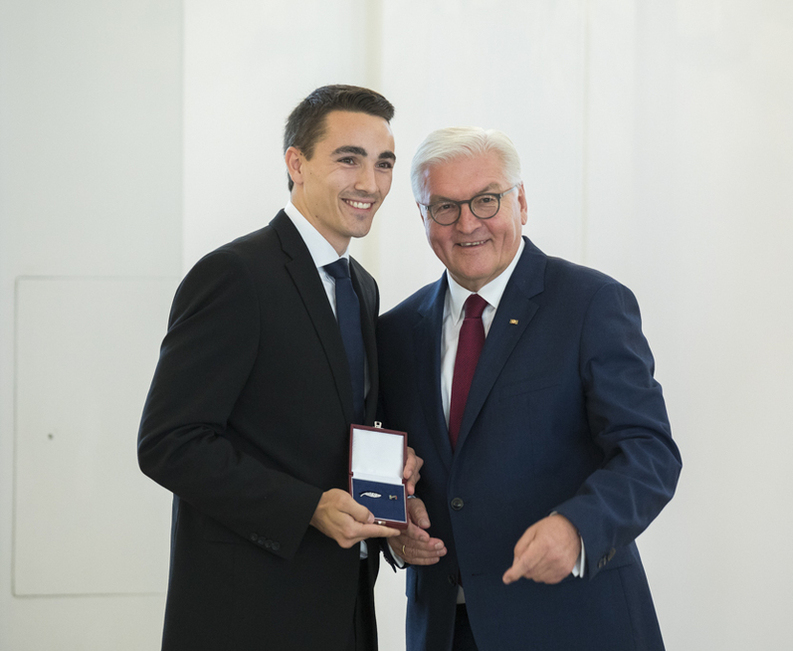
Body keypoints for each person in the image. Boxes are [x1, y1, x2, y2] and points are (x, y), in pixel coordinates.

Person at [138, 84, 419, 651]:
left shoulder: (360, 287)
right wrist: (307, 507)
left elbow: (325, 423)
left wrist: (394, 468)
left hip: (343, 608)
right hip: (249, 611)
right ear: (297, 163)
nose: (370, 183)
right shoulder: (236, 275)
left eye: (383, 163)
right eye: (349, 159)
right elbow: (169, 442)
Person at [379, 127, 682, 651]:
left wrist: (576, 528)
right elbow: (400, 463)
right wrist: (395, 522)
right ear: (423, 217)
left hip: (574, 622)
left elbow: (649, 453)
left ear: (520, 200)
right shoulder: (395, 331)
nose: (467, 223)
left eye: (486, 200)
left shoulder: (591, 304)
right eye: (444, 207)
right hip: (445, 631)